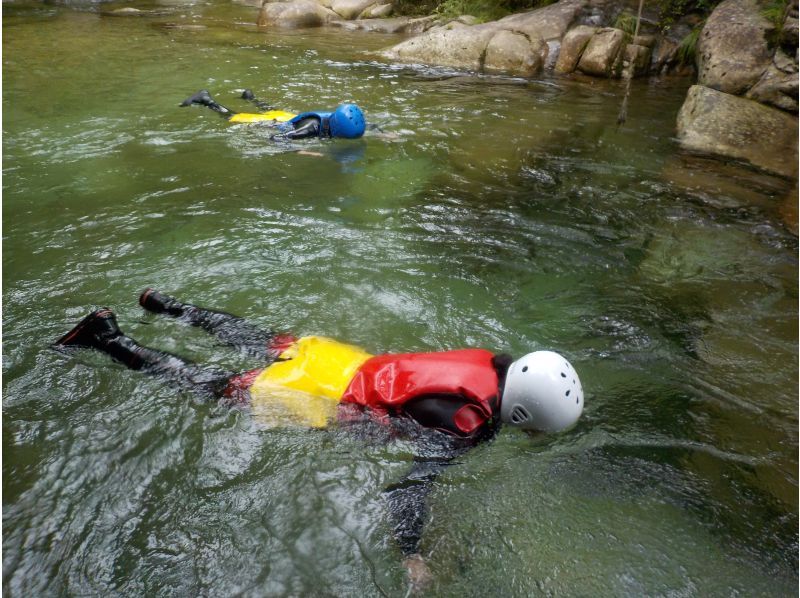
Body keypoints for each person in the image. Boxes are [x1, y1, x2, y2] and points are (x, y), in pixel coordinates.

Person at [54, 289, 584, 591]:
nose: (534, 435)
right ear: (519, 414)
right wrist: (411, 552)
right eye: (536, 428)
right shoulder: (471, 424)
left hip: (346, 360)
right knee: (214, 387)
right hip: (334, 395)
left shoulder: (494, 362)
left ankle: (165, 304)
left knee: (258, 339)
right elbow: (408, 488)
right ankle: (105, 337)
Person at [180, 88, 367, 140]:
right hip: (282, 123)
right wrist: (304, 151)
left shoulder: (336, 119)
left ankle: (250, 97)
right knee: (233, 118)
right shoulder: (310, 129)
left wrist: (384, 134)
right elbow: (276, 138)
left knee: (273, 110)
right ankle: (206, 99)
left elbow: (367, 126)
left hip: (292, 116)